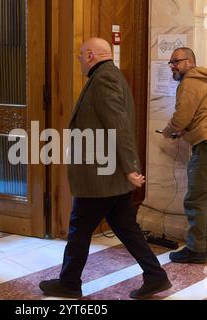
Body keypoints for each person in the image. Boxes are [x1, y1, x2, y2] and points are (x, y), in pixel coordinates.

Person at [39, 38, 171, 300]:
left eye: (80, 55)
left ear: (90, 55)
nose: (78, 59)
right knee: (125, 227)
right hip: (111, 175)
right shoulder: (111, 75)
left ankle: (69, 284)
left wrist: (131, 166)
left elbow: (118, 126)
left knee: (79, 228)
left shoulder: (103, 80)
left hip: (101, 176)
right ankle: (156, 276)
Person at [162, 47, 207, 264]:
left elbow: (181, 118)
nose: (173, 65)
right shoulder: (203, 81)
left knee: (195, 199)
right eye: (171, 62)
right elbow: (196, 115)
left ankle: (196, 249)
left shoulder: (189, 82)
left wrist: (169, 131)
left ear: (190, 63)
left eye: (177, 61)